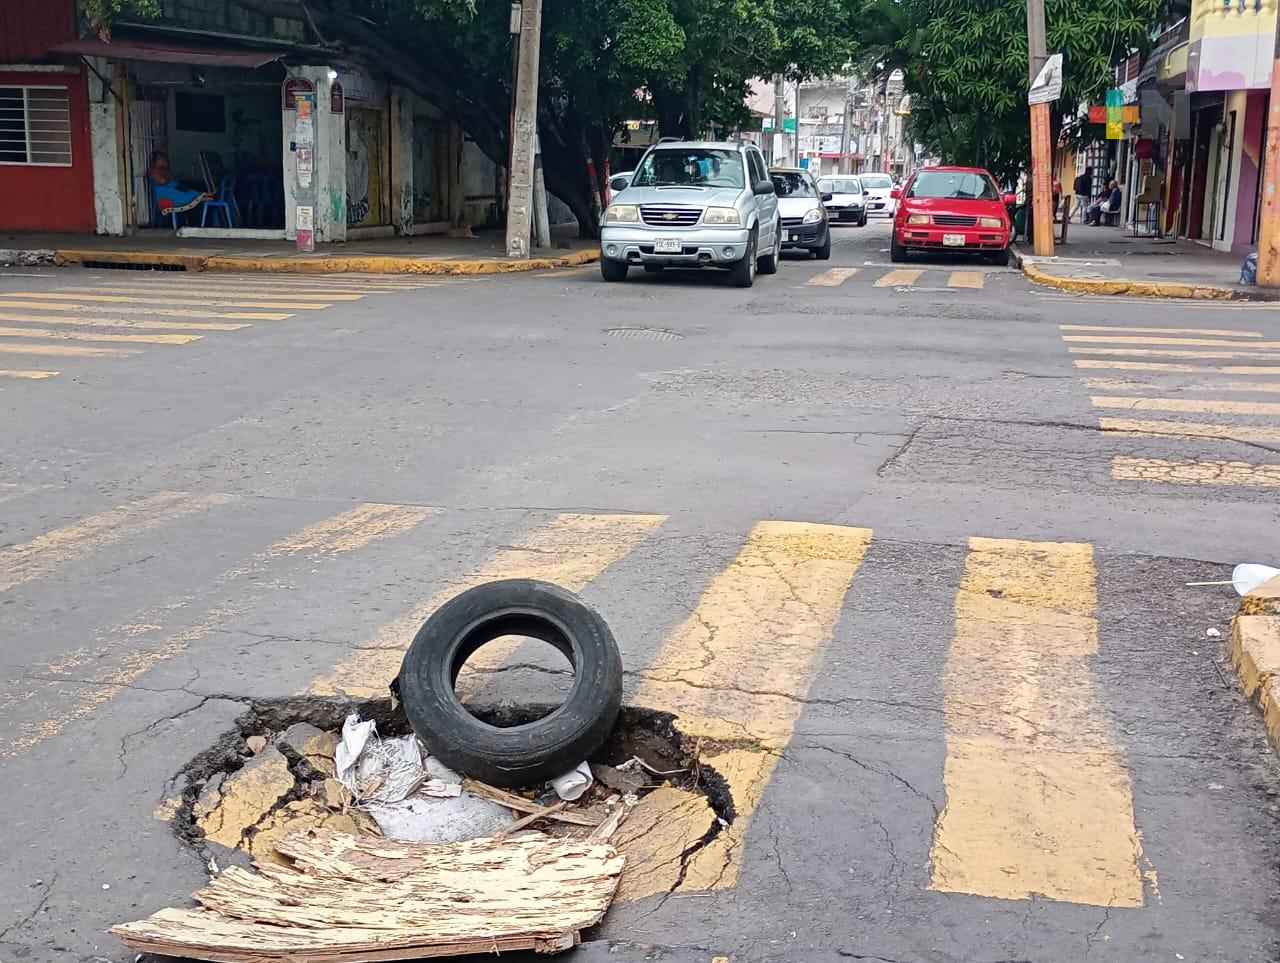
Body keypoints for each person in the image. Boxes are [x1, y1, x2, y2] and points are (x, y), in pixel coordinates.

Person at [148, 151, 213, 221]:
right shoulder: (154, 170)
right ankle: (200, 198)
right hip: (165, 192)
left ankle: (204, 195)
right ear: (155, 161)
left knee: (189, 191)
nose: (163, 161)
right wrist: (167, 174)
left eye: (164, 159)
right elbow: (162, 181)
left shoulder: (164, 170)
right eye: (160, 159)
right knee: (183, 195)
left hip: (172, 188)